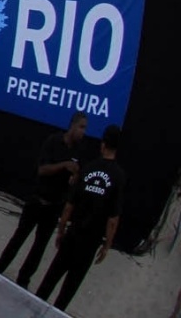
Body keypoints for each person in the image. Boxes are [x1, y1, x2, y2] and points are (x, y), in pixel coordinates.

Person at [35, 124, 126, 311]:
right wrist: (107, 245)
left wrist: (61, 230)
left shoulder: (88, 168)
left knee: (51, 277)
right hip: (90, 242)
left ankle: (34, 310)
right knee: (68, 289)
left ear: (103, 144)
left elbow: (69, 206)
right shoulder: (118, 176)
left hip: (73, 234)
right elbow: (113, 219)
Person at [0, 111, 87, 288]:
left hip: (54, 206)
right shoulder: (53, 141)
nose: (83, 132)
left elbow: (74, 181)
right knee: (19, 236)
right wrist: (64, 165)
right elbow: (42, 170)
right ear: (72, 125)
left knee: (39, 247)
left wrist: (74, 179)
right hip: (37, 200)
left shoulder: (78, 152)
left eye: (85, 128)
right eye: (81, 127)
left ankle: (23, 279)